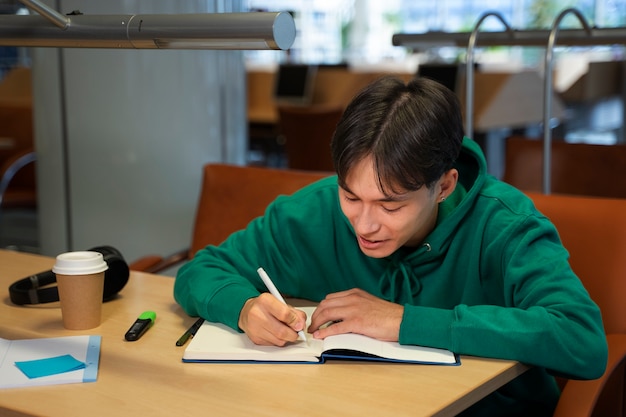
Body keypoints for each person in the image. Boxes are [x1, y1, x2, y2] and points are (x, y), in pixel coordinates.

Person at [174, 75, 607, 416]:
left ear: (443, 186)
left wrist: (403, 321)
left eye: (390, 205)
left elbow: (582, 339)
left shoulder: (505, 225)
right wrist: (244, 308)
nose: (365, 224)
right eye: (351, 196)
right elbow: (200, 270)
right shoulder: (311, 211)